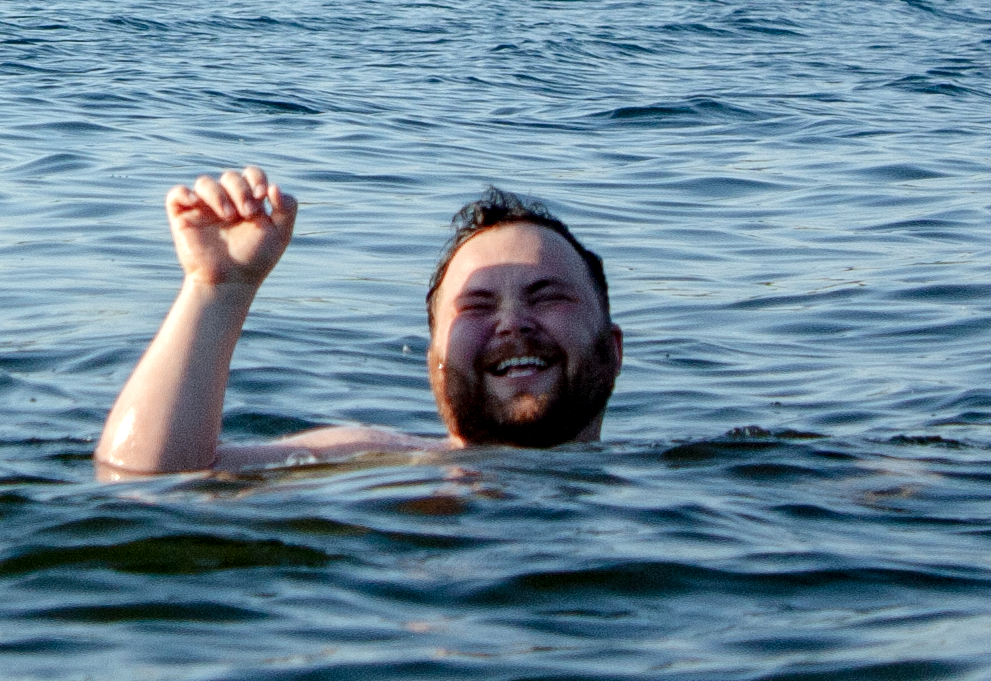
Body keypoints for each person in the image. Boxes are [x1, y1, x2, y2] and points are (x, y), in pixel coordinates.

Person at [95, 169, 621, 475]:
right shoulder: (376, 465)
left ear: (613, 350)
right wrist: (217, 289)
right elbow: (147, 484)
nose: (512, 324)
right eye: (477, 306)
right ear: (434, 363)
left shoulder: (681, 477)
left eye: (547, 296)